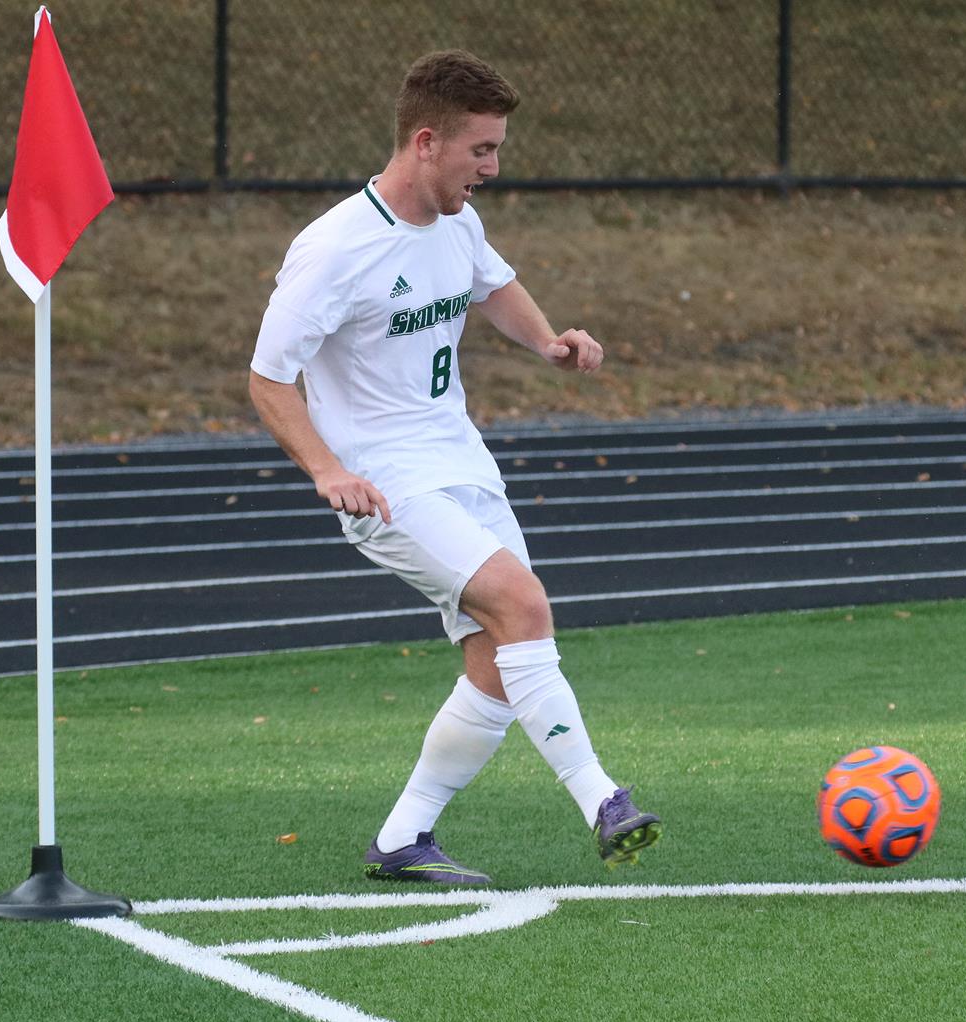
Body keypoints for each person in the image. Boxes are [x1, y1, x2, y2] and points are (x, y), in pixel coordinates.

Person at [247, 49, 660, 885]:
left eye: (498, 149)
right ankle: (603, 799)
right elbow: (267, 377)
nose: (494, 168)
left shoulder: (456, 222)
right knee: (524, 604)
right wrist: (327, 470)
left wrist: (548, 341)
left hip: (462, 464)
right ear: (427, 141)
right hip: (385, 482)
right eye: (482, 150)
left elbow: (492, 284)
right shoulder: (334, 248)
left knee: (497, 659)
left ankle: (404, 839)